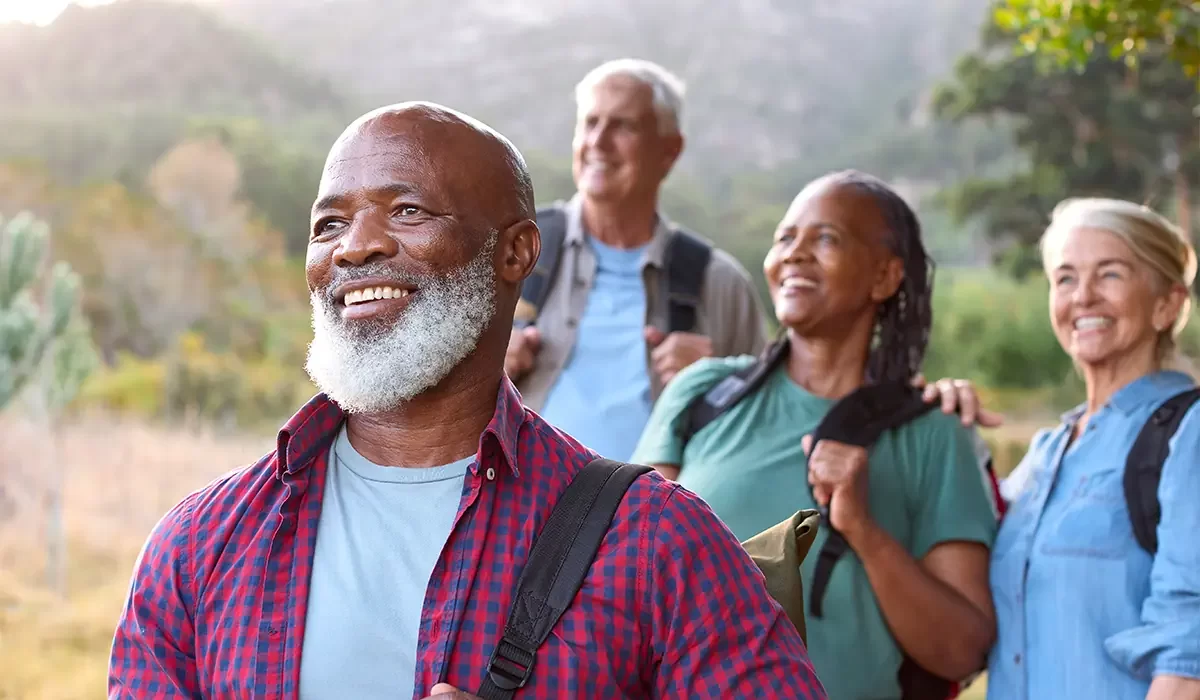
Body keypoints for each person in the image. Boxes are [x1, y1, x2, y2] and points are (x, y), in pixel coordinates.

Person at [107, 102, 827, 700]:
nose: (355, 248)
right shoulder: (200, 546)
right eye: (328, 224)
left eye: (409, 210)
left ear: (516, 253)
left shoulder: (656, 543)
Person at [631, 170, 1000, 700]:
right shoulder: (704, 394)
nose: (795, 254)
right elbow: (624, 572)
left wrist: (862, 530)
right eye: (786, 238)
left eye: (826, 239)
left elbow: (964, 650)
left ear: (884, 276)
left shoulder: (934, 433)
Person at [986, 198, 1200, 700]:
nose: (1082, 296)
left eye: (1110, 275)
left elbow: (1188, 656)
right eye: (1064, 278)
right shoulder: (1043, 454)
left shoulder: (1188, 432)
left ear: (1167, 304)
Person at [504, 58, 768, 461]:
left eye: (623, 126)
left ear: (669, 150)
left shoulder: (719, 284)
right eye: (590, 123)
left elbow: (761, 434)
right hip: (519, 513)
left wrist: (719, 385)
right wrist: (482, 364)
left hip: (654, 522)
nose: (599, 141)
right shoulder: (515, 250)